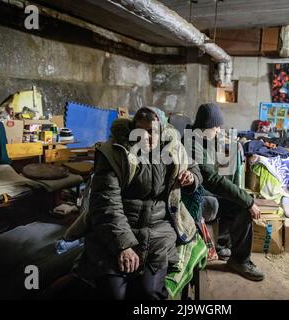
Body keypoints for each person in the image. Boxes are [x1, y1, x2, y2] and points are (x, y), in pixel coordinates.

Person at [74, 107, 202, 300]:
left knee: (149, 293)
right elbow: (106, 204)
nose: (146, 137)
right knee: (115, 294)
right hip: (118, 229)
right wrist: (123, 246)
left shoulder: (173, 149)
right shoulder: (115, 153)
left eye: (152, 131)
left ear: (163, 130)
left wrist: (191, 178)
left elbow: (194, 168)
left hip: (159, 231)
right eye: (140, 130)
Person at [185, 103, 265, 282]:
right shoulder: (191, 145)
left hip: (203, 191)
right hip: (193, 198)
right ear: (206, 126)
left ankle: (223, 245)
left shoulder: (201, 138)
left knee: (232, 195)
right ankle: (240, 260)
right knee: (241, 206)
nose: (218, 130)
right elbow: (212, 180)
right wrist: (249, 201)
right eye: (216, 126)